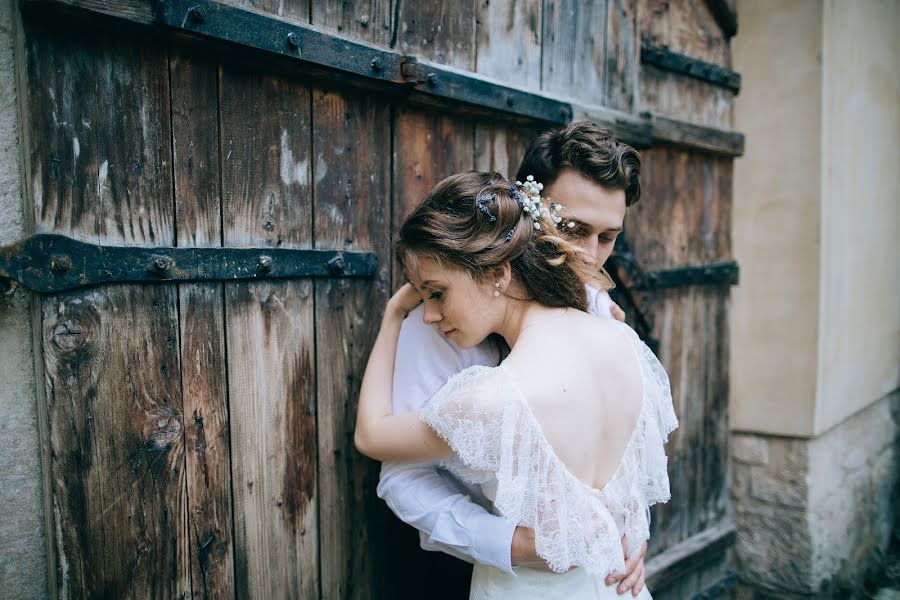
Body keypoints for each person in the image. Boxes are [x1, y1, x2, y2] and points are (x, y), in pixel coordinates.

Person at [355, 171, 677, 598]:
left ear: (497, 276)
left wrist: (394, 314)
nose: (429, 315)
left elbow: (371, 435)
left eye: (437, 293)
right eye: (420, 297)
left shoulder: (491, 399)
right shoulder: (629, 347)